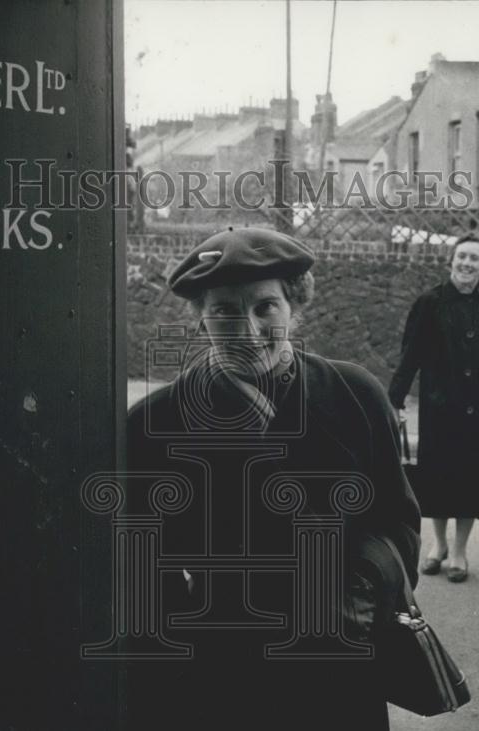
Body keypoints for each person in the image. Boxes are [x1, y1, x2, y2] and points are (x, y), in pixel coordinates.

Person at [125, 227, 421, 731]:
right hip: (215, 680)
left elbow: (399, 521)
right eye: (223, 311)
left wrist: (358, 590)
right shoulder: (155, 424)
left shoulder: (354, 396)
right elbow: (138, 571)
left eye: (265, 307)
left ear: (294, 306)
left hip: (338, 669)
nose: (246, 328)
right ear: (200, 319)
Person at [387, 236, 479, 583]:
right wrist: (395, 400)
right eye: (462, 257)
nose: (467, 263)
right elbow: (410, 355)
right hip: (440, 407)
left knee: (470, 479)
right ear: (451, 260)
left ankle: (459, 551)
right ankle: (437, 546)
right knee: (438, 477)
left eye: (475, 258)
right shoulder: (430, 302)